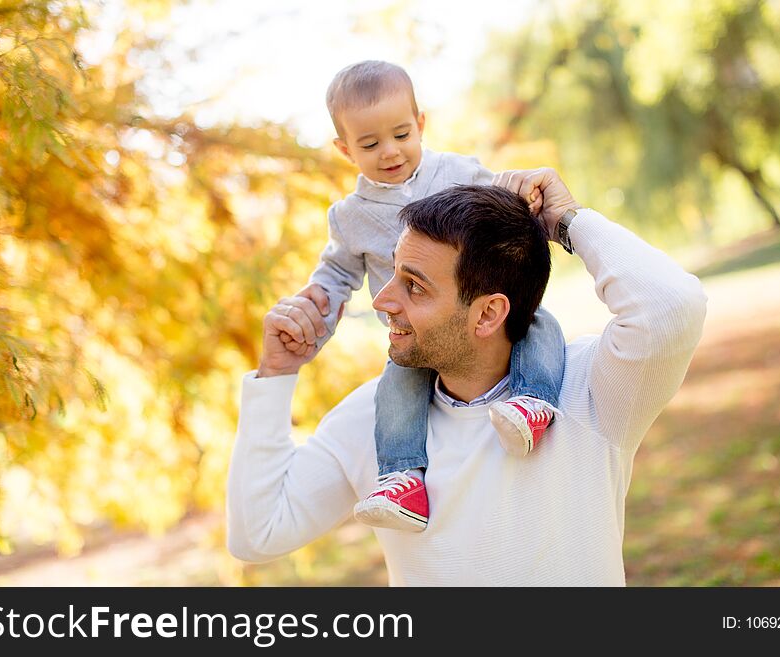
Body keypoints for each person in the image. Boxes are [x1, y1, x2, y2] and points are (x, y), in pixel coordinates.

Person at [227, 169, 708, 586]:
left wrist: (567, 221)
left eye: (413, 286)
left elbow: (670, 306)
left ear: (488, 315)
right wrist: (275, 375)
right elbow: (260, 533)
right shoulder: (376, 416)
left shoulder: (589, 390)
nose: (382, 300)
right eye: (393, 274)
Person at [278, 60, 566, 533]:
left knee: (537, 325)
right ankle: (403, 477)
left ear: (421, 124)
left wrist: (528, 200)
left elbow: (505, 208)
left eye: (401, 134)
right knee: (397, 387)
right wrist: (316, 311)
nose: (389, 152)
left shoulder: (460, 173)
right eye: (369, 144)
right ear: (344, 148)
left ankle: (532, 403)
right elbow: (336, 273)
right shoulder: (350, 217)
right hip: (414, 333)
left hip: (477, 308)